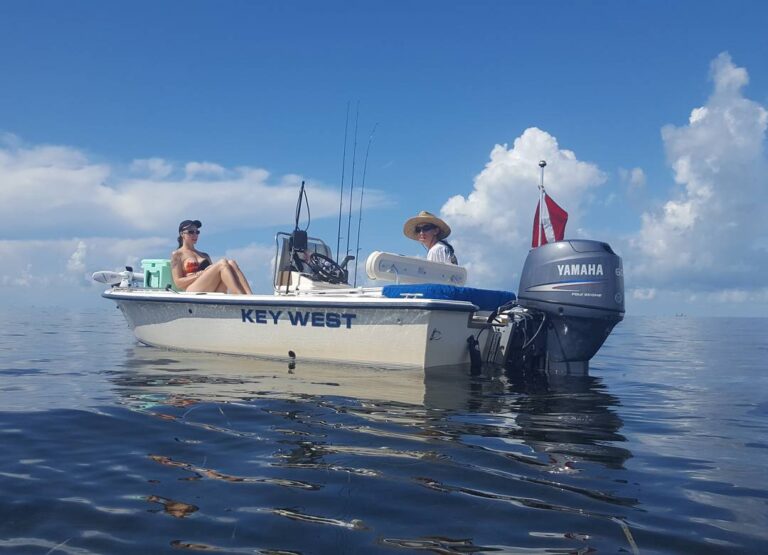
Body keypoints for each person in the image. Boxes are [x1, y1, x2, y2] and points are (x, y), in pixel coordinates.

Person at [171, 219, 253, 294]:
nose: (195, 235)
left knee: (231, 263)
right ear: (182, 234)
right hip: (192, 290)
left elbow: (215, 274)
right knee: (222, 263)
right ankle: (238, 295)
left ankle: (249, 296)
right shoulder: (177, 254)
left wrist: (205, 273)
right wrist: (200, 274)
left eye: (197, 232)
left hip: (211, 289)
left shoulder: (204, 255)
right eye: (191, 232)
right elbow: (178, 283)